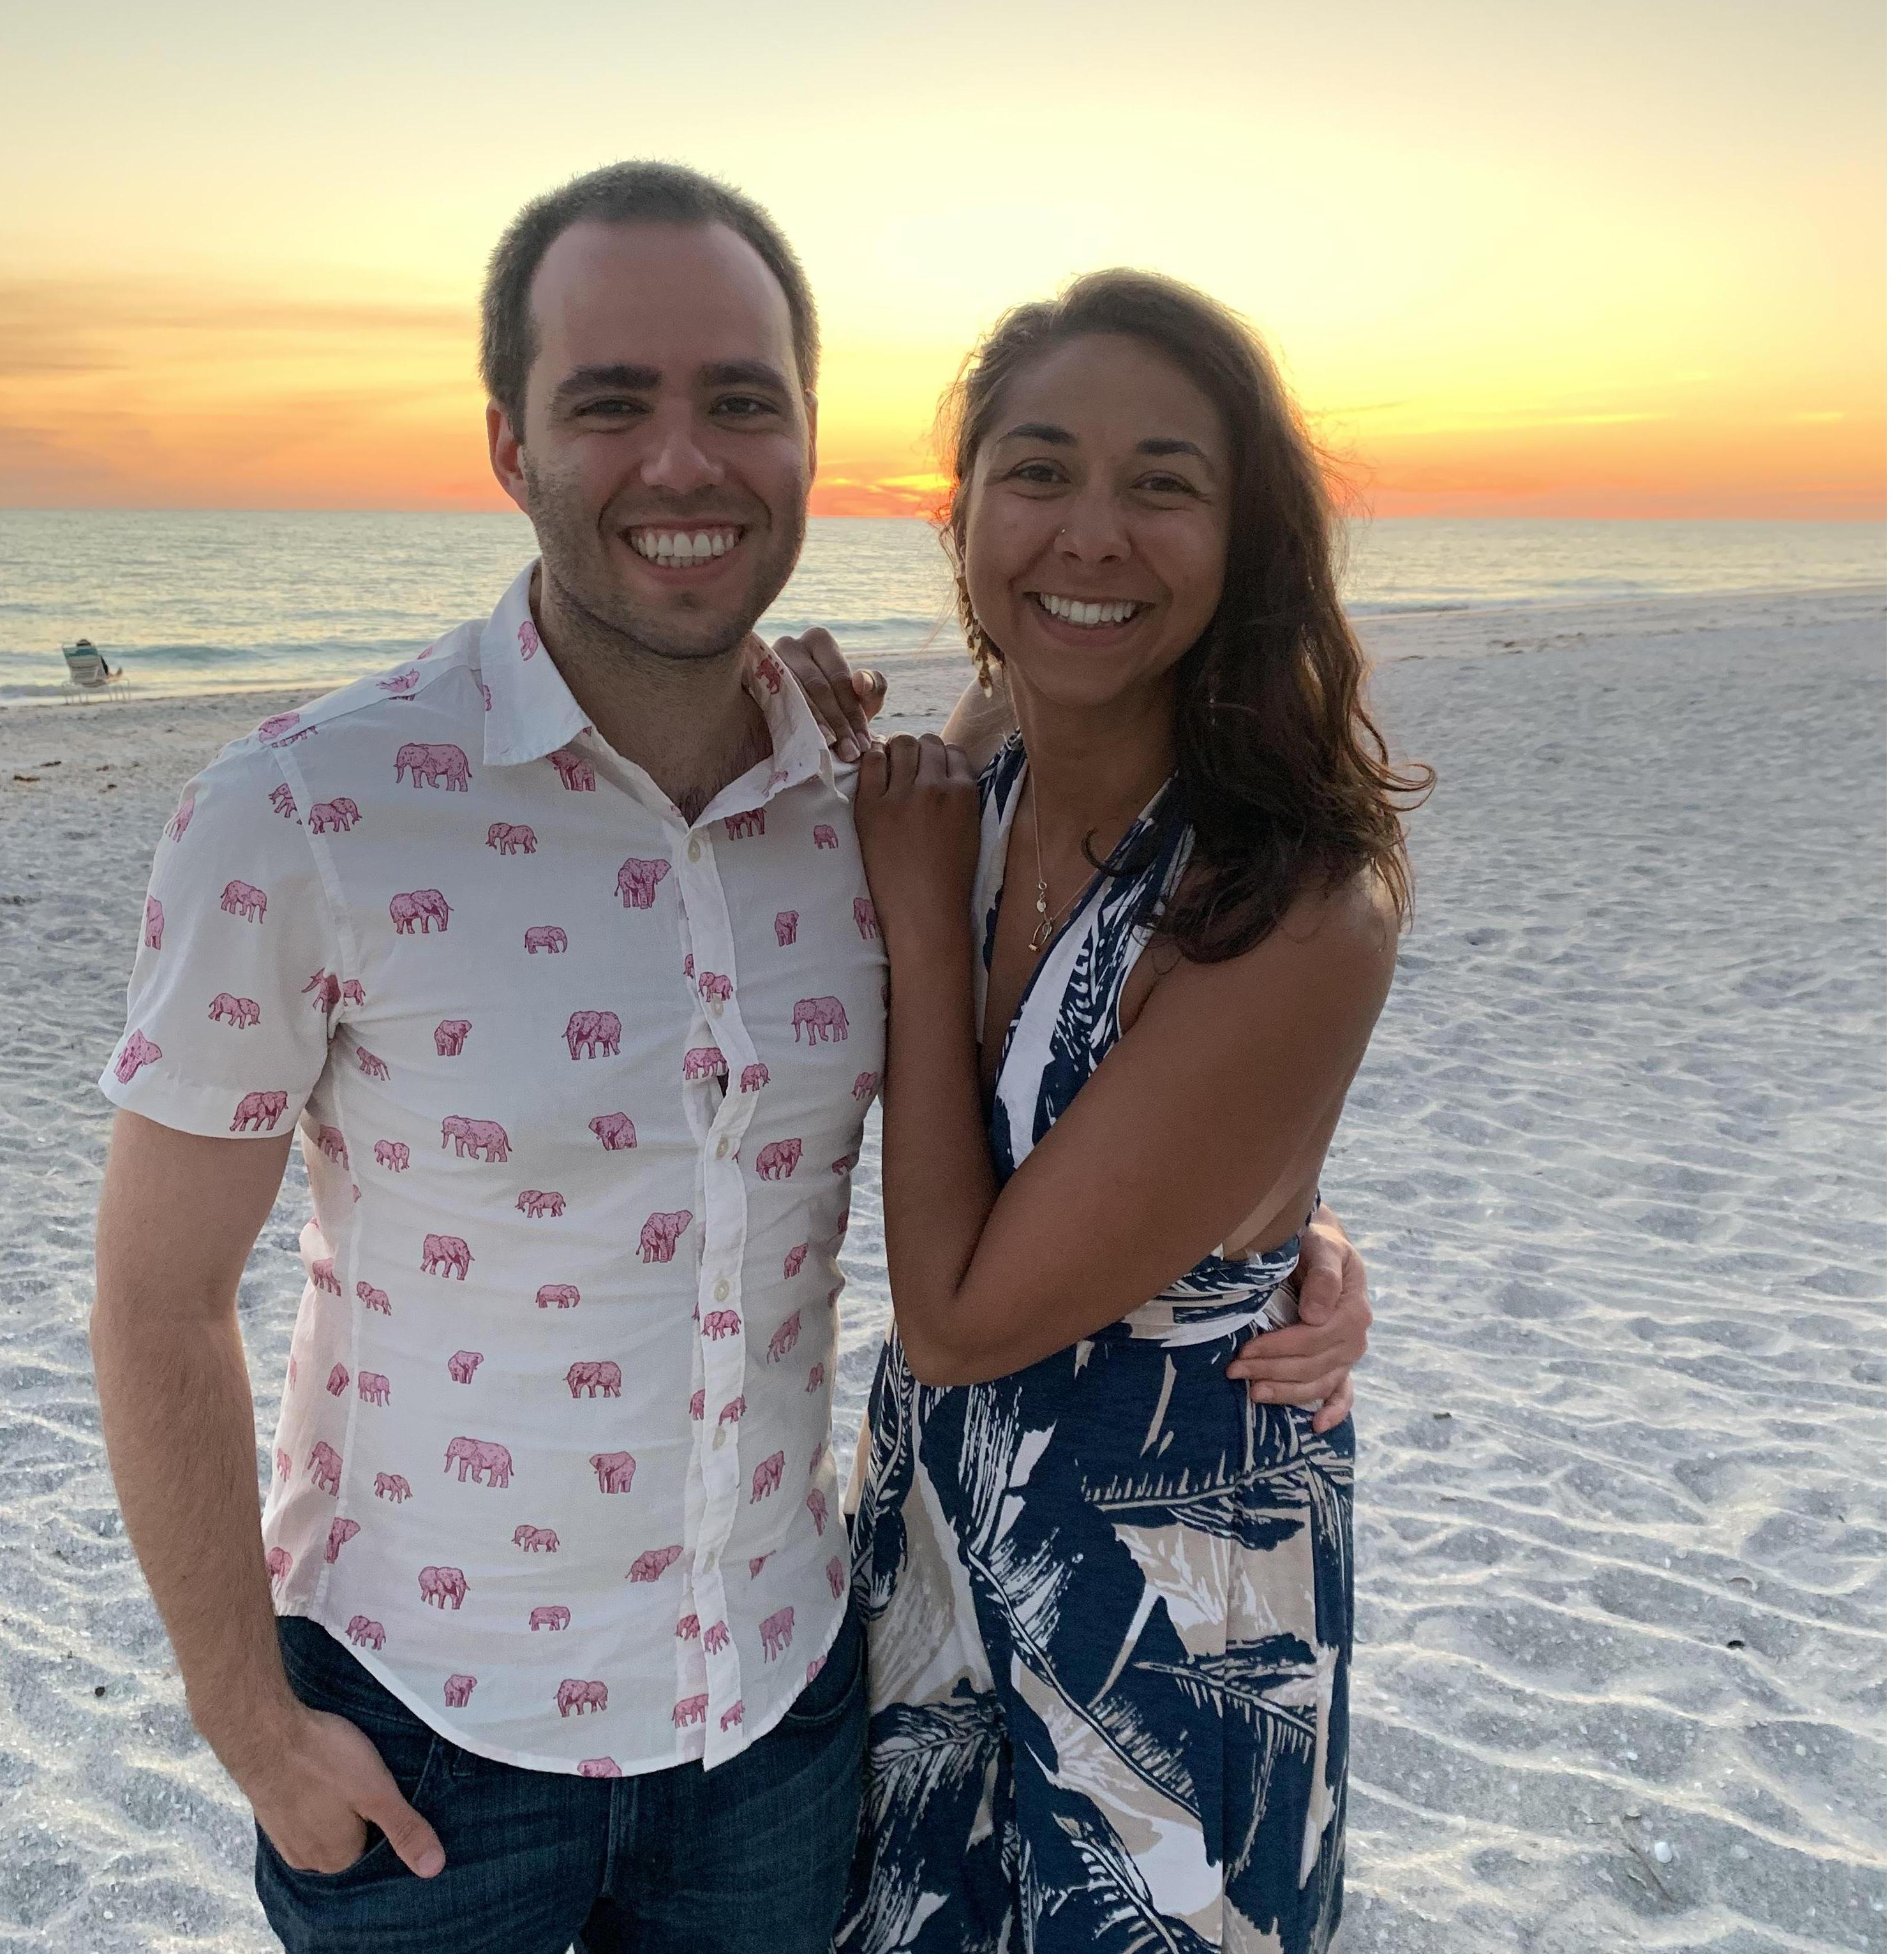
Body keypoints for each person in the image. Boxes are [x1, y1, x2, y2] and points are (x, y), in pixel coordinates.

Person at [89, 163, 1373, 1954]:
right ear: (509, 445)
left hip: (784, 1726)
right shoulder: (306, 808)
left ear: (807, 445)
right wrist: (254, 1730)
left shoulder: (854, 807)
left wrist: (1278, 1246)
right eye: (610, 402)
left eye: (740, 402)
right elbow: (156, 1303)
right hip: (426, 1734)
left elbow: (1118, 1084)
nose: (682, 462)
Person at [827, 272, 1430, 1953]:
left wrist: (919, 903)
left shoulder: (1291, 904)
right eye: (1038, 471)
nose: (1089, 534)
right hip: (947, 1527)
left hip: (1169, 1587)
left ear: (1248, 542)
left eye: (1163, 484)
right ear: (962, 516)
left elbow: (953, 1321)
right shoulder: (996, 740)